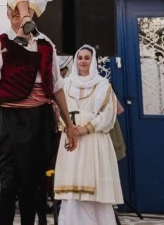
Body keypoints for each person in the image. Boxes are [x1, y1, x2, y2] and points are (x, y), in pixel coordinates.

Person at [0, 6, 78, 225]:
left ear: (31, 11)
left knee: (31, 186)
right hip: (9, 121)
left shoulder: (46, 44)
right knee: (8, 184)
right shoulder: (0, 42)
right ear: (6, 13)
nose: (16, 11)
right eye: (11, 8)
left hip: (39, 122)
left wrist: (69, 124)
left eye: (21, 6)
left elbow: (56, 87)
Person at [52, 46, 123, 224]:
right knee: (73, 188)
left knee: (94, 188)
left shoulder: (103, 85)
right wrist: (67, 126)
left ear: (93, 61)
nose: (83, 61)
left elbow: (108, 115)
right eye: (80, 58)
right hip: (71, 139)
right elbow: (58, 108)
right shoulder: (66, 83)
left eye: (87, 58)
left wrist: (86, 128)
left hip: (94, 140)